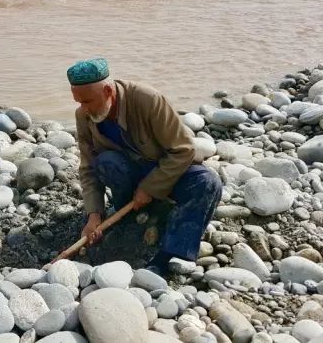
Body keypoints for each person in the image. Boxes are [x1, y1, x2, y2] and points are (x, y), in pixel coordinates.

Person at [67, 58, 222, 275]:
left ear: (109, 92)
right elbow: (88, 168)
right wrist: (94, 214)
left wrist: (150, 187)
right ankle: (129, 212)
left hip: (164, 170)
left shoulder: (148, 100)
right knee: (105, 162)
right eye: (78, 102)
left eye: (88, 101)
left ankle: (168, 256)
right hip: (128, 172)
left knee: (207, 182)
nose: (84, 109)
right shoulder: (84, 115)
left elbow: (184, 149)